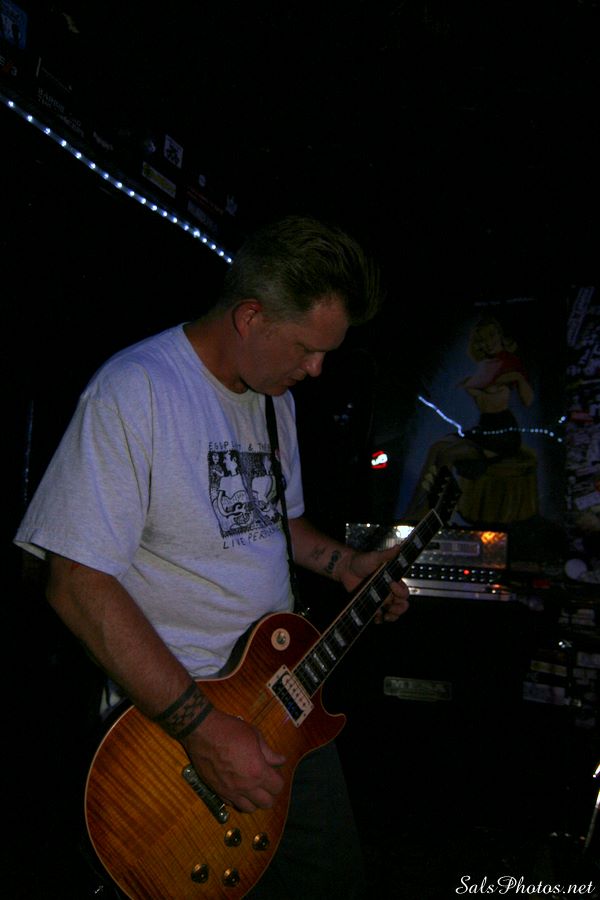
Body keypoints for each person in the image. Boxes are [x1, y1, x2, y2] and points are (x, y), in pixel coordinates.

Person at [14, 214, 409, 899]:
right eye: (307, 348)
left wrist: (344, 564)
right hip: (175, 730)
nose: (317, 369)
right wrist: (201, 729)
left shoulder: (274, 399)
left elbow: (274, 524)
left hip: (283, 701)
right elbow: (74, 581)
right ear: (251, 317)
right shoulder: (136, 388)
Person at [404, 313, 535, 520]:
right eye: (483, 339)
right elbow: (475, 391)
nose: (488, 343)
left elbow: (527, 400)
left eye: (492, 336)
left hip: (501, 434)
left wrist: (517, 379)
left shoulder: (510, 364)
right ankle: (414, 508)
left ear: (500, 336)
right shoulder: (486, 366)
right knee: (436, 448)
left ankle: (432, 511)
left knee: (448, 454)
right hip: (484, 428)